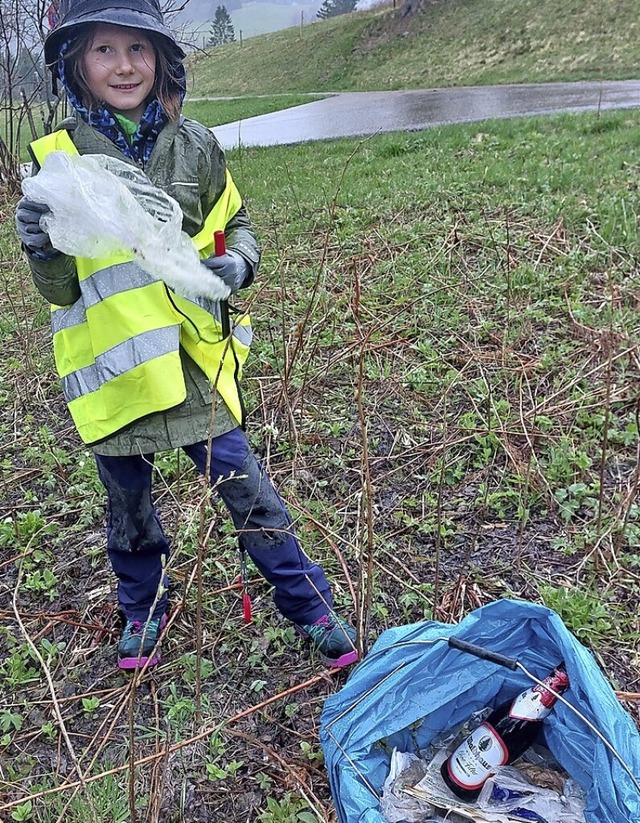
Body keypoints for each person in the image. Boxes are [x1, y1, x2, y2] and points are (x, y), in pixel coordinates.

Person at [15, 0, 357, 672]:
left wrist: (241, 261)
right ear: (75, 62)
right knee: (129, 509)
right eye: (104, 50)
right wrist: (40, 250)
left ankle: (308, 599)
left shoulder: (194, 144)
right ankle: (143, 606)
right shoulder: (58, 161)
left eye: (137, 49)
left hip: (194, 363)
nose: (124, 65)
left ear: (162, 58)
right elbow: (58, 291)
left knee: (247, 488)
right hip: (117, 379)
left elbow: (241, 223)